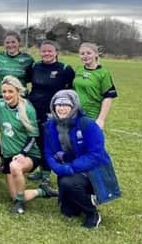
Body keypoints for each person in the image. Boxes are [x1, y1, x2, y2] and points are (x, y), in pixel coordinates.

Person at [44, 89, 120, 229]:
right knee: (68, 212)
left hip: (91, 170)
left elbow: (96, 154)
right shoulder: (50, 126)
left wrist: (72, 167)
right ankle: (82, 197)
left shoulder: (87, 124)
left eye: (66, 104)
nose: (61, 108)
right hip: (68, 166)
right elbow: (48, 153)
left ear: (74, 106)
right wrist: (59, 168)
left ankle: (92, 213)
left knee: (68, 182)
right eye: (58, 104)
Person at [0, 76, 56, 214]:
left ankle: (19, 205)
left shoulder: (27, 109)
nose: (6, 95)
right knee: (15, 195)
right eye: (4, 91)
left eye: (10, 91)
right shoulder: (0, 104)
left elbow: (33, 135)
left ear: (18, 91)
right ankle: (42, 191)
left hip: (29, 154)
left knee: (15, 166)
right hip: (8, 155)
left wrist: (22, 153)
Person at [27, 40, 75, 190]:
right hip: (34, 109)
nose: (46, 53)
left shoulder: (65, 69)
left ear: (56, 52)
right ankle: (42, 171)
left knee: (49, 142)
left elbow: (71, 92)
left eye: (49, 51)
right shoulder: (35, 66)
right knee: (38, 140)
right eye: (43, 51)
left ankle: (47, 176)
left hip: (52, 112)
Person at [73, 42, 118, 130]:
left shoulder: (103, 73)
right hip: (75, 113)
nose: (85, 56)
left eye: (89, 53)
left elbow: (108, 97)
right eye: (82, 54)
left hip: (92, 115)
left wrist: (101, 119)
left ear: (96, 54)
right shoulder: (79, 69)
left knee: (90, 142)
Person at [0, 31, 34, 100]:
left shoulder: (28, 59)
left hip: (20, 96)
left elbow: (30, 77)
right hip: (2, 95)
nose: (10, 45)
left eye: (13, 42)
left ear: (19, 43)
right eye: (7, 42)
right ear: (4, 44)